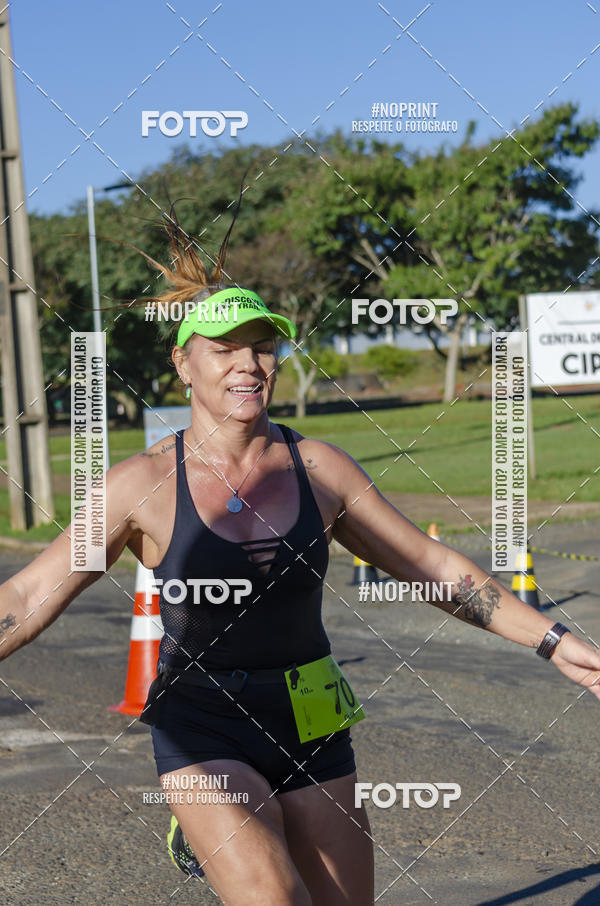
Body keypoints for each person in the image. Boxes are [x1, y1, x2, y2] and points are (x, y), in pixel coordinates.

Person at [1, 214, 599, 906]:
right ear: (182, 363)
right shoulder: (138, 488)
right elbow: (29, 594)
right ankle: (200, 821)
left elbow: (430, 566)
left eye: (263, 347)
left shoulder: (319, 469)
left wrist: (551, 641)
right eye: (224, 350)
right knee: (275, 897)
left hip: (310, 717)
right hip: (203, 721)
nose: (248, 365)